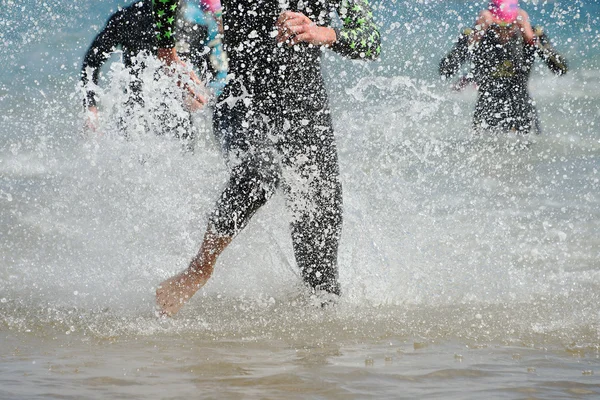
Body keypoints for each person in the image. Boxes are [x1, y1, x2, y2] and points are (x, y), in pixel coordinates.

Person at [152, 0, 381, 316]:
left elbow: (369, 39)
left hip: (306, 108)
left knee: (322, 263)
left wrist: (323, 32)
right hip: (241, 103)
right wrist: (168, 56)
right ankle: (200, 267)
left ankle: (317, 355)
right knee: (262, 172)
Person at [80, 0, 220, 141]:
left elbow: (211, 74)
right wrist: (91, 107)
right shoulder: (126, 18)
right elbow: (92, 61)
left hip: (178, 119)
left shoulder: (196, 24)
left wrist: (201, 94)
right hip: (134, 115)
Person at [440, 0, 567, 134]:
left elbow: (561, 69)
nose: (503, 34)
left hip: (522, 112)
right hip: (486, 113)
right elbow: (445, 71)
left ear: (517, 23)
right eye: (496, 28)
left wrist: (533, 39)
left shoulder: (529, 35)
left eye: (509, 27)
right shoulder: (477, 35)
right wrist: (473, 37)